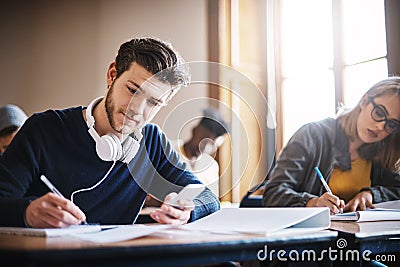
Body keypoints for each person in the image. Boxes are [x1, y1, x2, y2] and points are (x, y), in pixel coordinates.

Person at [0, 37, 220, 228]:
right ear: (112, 75)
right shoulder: (43, 129)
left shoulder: (152, 142)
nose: (137, 109)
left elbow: (208, 197)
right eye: (133, 90)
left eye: (153, 102)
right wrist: (27, 212)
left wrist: (186, 209)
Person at [263, 77, 400, 214]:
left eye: (391, 124)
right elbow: (273, 192)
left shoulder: (384, 150)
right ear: (364, 101)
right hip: (314, 233)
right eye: (379, 113)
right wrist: (312, 203)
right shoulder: (312, 135)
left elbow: (397, 190)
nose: (381, 126)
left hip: (360, 233)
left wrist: (371, 195)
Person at [171, 107, 230, 196]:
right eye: (203, 140)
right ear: (194, 131)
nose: (205, 147)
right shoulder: (169, 151)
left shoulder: (211, 166)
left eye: (211, 144)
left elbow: (212, 200)